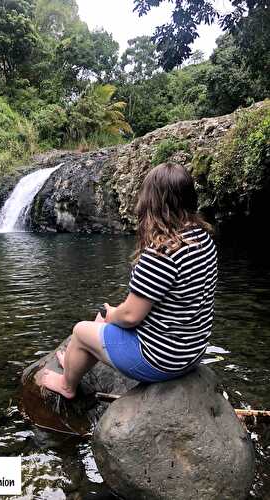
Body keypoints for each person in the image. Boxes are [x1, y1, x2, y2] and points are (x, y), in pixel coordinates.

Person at [41, 162, 218, 399]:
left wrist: (112, 314)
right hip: (191, 351)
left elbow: (130, 316)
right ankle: (76, 358)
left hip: (162, 359)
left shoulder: (162, 253)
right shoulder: (202, 238)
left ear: (152, 202)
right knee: (99, 321)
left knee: (82, 330)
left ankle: (67, 385)